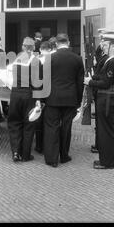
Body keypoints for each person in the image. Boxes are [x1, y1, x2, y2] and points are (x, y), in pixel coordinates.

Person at [43, 33, 84, 167]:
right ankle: (64, 156)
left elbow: (44, 80)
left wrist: (43, 98)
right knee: (66, 128)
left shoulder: (49, 58)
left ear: (56, 44)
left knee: (51, 127)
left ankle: (51, 158)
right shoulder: (77, 59)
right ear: (69, 42)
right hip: (70, 98)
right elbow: (80, 83)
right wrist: (78, 102)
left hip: (52, 98)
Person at [84, 34, 114, 169]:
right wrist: (93, 78)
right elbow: (102, 76)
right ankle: (105, 159)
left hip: (107, 99)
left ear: (113, 46)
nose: (103, 47)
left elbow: (106, 83)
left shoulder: (113, 62)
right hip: (105, 98)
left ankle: (107, 162)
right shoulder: (110, 60)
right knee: (104, 129)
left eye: (106, 45)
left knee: (106, 131)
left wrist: (91, 82)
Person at [8, 37, 42, 162]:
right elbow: (37, 83)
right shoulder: (35, 61)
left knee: (14, 123)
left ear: (23, 47)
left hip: (15, 93)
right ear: (33, 48)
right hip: (28, 94)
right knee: (28, 124)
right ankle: (26, 155)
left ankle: (16, 152)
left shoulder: (16, 59)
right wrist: (38, 99)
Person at [90, 28, 114, 154]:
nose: (102, 41)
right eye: (101, 37)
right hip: (101, 92)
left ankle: (105, 153)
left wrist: (91, 81)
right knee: (101, 125)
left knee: (105, 127)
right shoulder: (105, 54)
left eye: (104, 39)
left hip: (106, 95)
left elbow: (106, 80)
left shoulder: (113, 59)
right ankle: (100, 146)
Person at [34, 41, 51, 154]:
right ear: (49, 49)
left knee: (39, 120)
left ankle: (39, 145)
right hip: (50, 93)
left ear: (40, 49)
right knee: (49, 120)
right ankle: (47, 144)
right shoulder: (52, 60)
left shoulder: (37, 61)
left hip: (39, 92)